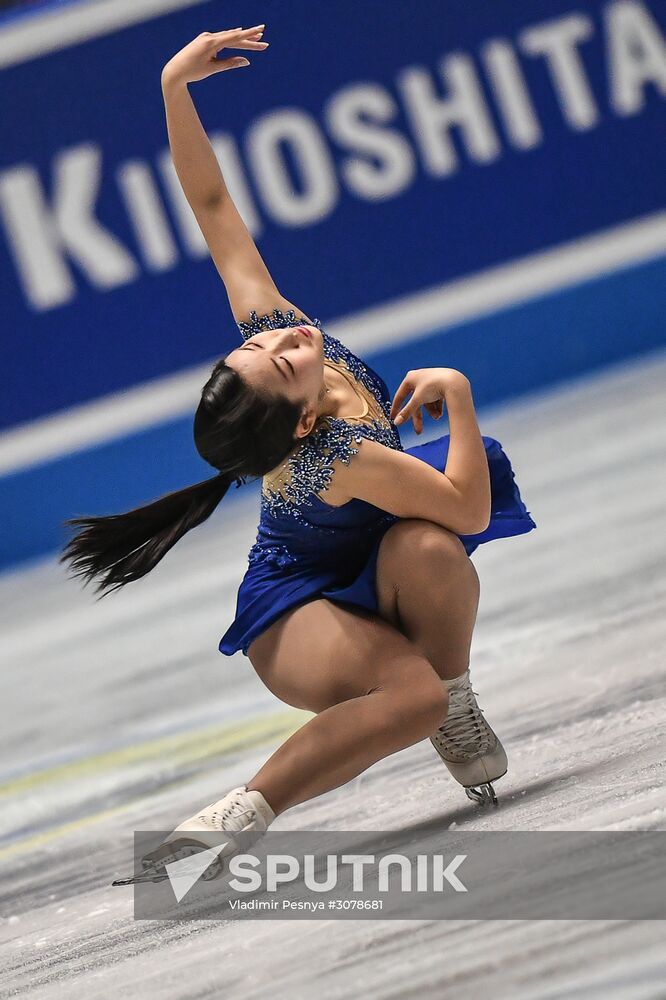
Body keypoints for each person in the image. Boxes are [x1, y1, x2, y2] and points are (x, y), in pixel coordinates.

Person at [60, 25, 537, 882]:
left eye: (261, 347)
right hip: (301, 609)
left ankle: (456, 699)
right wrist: (458, 393)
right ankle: (238, 815)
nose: (289, 339)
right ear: (305, 426)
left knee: (424, 548)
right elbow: (469, 508)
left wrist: (174, 88)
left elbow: (211, 210)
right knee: (410, 689)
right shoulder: (336, 457)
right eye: (282, 363)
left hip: (382, 562)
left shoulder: (271, 327)